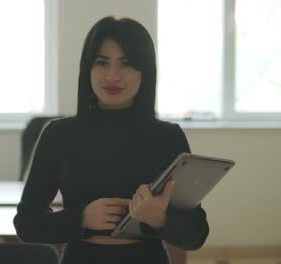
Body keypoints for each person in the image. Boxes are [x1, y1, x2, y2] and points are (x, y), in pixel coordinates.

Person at [13, 16, 209, 264]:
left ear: (144, 72)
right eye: (102, 63)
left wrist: (160, 219)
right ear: (88, 69)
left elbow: (197, 234)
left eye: (126, 64)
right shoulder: (59, 134)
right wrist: (80, 218)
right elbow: (26, 224)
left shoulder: (167, 137)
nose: (112, 75)